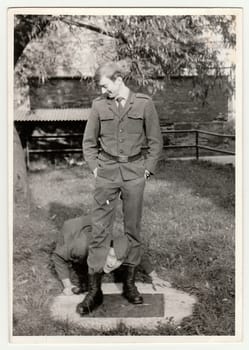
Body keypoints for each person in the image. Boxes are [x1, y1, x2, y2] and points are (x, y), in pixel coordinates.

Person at [80, 61, 163, 315]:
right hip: (106, 173)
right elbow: (89, 142)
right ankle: (95, 292)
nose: (104, 91)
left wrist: (146, 169)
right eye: (101, 88)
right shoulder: (98, 106)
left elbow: (155, 140)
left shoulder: (144, 104)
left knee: (132, 229)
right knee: (99, 229)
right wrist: (95, 168)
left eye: (106, 85)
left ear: (118, 79)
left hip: (134, 173)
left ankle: (129, 284)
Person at [52, 215, 171, 296]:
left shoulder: (122, 250)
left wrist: (154, 277)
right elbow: (58, 257)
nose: (111, 263)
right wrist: (67, 285)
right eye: (111, 256)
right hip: (73, 228)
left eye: (118, 260)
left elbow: (138, 253)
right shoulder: (81, 248)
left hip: (96, 227)